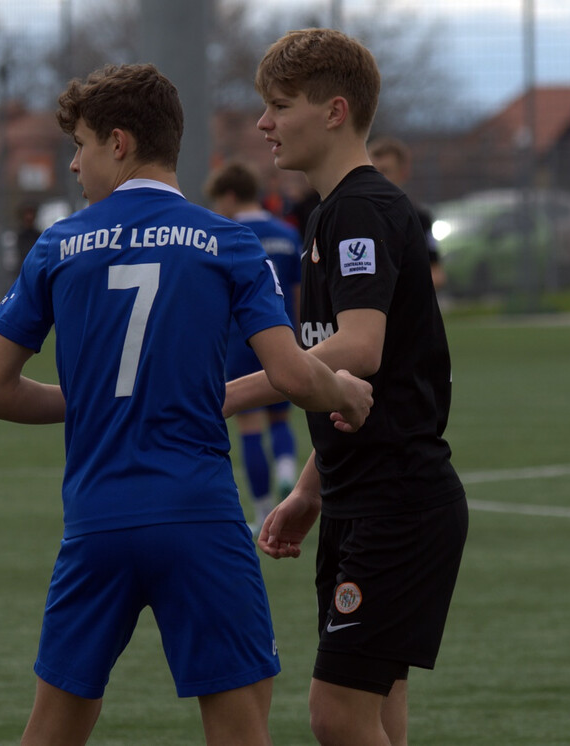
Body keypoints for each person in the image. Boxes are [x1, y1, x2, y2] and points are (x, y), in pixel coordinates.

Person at [0, 62, 373, 746]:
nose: (72, 165)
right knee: (240, 727)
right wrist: (345, 391)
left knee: (54, 729)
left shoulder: (58, 247)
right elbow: (294, 375)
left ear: (119, 144)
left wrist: (98, 402)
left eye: (83, 144)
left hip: (96, 522)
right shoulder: (228, 241)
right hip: (200, 519)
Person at [223, 28, 468, 746]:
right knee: (377, 710)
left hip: (399, 504)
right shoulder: (333, 213)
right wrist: (309, 489)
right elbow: (353, 383)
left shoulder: (359, 208)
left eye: (278, 106)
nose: (263, 124)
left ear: (333, 111)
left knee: (337, 713)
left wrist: (231, 392)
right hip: (364, 498)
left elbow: (360, 348)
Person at [205, 161, 303, 535]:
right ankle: (285, 470)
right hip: (281, 335)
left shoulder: (227, 235)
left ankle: (263, 510)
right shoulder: (287, 233)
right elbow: (295, 293)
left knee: (248, 424)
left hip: (238, 340)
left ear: (229, 196)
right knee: (281, 418)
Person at [368, 135, 446, 289]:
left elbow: (437, 274)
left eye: (384, 172)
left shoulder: (418, 219)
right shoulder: (355, 217)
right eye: (372, 171)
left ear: (404, 173)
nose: (376, 179)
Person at [15, 200, 43, 268]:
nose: (29, 217)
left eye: (31, 213)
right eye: (27, 214)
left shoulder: (39, 236)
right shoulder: (19, 236)